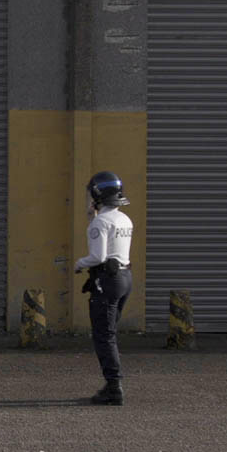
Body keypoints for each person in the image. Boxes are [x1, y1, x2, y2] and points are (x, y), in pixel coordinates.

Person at [75, 171, 133, 405]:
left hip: (107, 281)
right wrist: (92, 218)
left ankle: (113, 386)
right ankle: (113, 383)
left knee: (104, 336)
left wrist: (79, 264)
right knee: (110, 333)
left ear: (98, 194)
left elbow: (98, 255)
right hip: (125, 277)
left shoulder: (100, 222)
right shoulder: (124, 219)